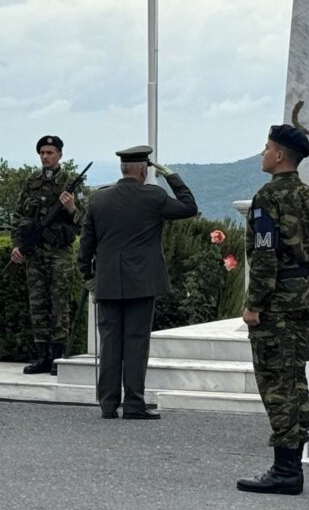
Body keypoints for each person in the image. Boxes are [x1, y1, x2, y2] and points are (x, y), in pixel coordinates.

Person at [236, 124, 309, 496]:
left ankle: (286, 470)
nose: (262, 153)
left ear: (279, 155)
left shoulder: (268, 197)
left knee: (277, 384)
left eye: (266, 148)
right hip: (301, 296)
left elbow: (265, 255)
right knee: (294, 380)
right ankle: (290, 463)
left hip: (276, 302)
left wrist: (254, 304)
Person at [77, 145, 197, 420]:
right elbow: (189, 207)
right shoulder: (154, 196)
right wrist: (173, 177)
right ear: (144, 170)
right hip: (142, 283)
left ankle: (108, 404)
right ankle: (133, 404)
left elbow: (86, 244)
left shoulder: (98, 199)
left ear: (123, 168)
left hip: (108, 282)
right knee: (136, 343)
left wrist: (88, 277)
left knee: (109, 344)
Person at [11, 135, 86, 375]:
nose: (45, 157)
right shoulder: (31, 182)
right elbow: (18, 216)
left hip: (59, 254)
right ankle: (42, 356)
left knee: (59, 305)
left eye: (50, 153)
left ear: (60, 155)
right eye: (42, 153)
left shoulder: (71, 183)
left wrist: (71, 208)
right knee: (38, 305)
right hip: (34, 253)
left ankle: (58, 357)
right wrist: (17, 245)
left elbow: (85, 221)